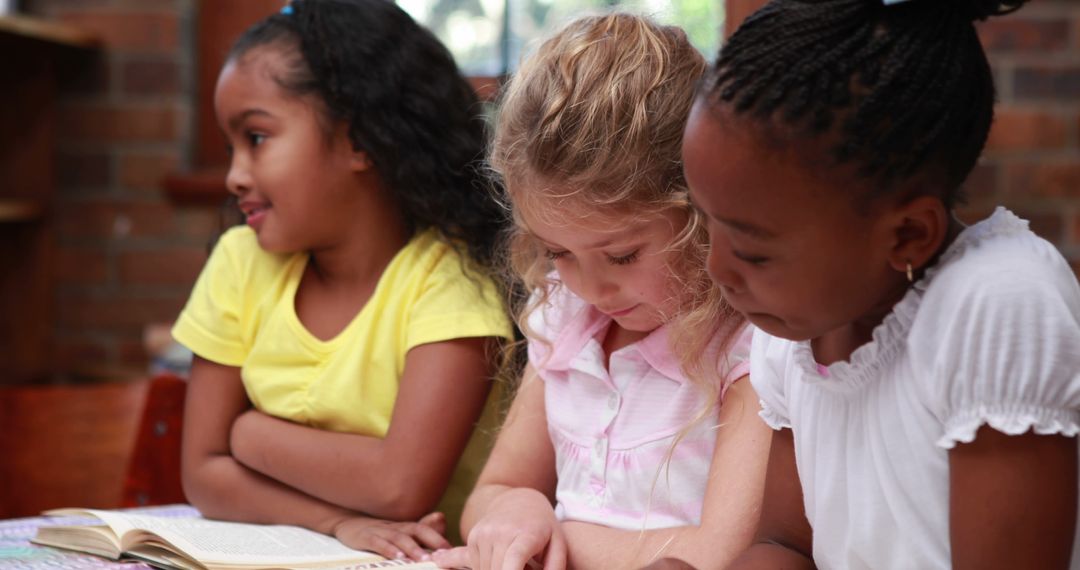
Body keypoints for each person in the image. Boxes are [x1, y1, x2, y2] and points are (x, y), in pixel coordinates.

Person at [682, 0, 1080, 568]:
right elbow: (786, 545)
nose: (717, 267)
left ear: (908, 236)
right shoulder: (794, 331)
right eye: (707, 221)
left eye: (753, 250)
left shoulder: (995, 307)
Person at [172, 0, 514, 561]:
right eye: (230, 146)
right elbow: (203, 474)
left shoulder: (448, 280)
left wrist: (248, 435)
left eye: (256, 138)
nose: (235, 175)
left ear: (358, 140)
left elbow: (398, 487)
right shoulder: (240, 260)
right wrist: (336, 520)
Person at [431, 13, 771, 570]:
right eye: (558, 252)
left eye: (622, 255)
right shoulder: (566, 317)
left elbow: (721, 554)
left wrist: (551, 541)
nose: (590, 287)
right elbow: (490, 497)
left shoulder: (748, 348)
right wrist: (516, 509)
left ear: (702, 214)